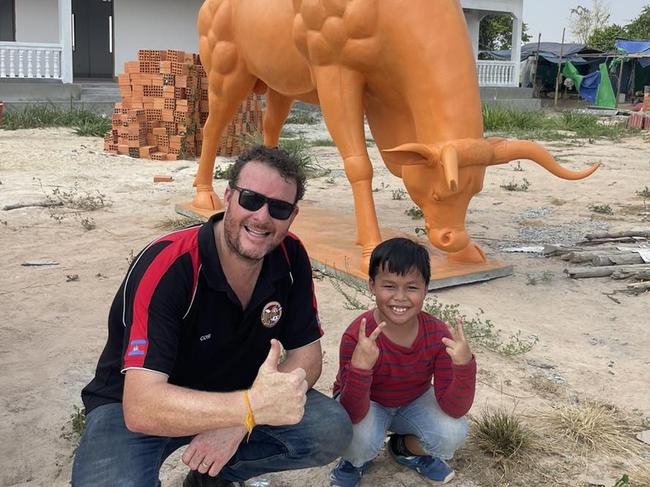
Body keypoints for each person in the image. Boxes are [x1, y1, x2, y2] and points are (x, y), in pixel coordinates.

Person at [72, 146, 352, 487]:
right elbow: (141, 406)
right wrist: (249, 408)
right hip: (139, 405)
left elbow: (307, 358)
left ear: (292, 216)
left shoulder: (290, 256)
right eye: (250, 199)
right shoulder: (169, 264)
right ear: (228, 196)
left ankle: (212, 478)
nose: (262, 217)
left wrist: (241, 419)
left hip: (238, 393)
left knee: (329, 430)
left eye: (278, 208)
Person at [329, 238, 476, 486]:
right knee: (357, 438)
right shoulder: (358, 336)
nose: (400, 297)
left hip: (412, 401)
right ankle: (355, 460)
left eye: (411, 287)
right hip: (367, 404)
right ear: (372, 286)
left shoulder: (436, 333)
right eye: (389, 286)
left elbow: (455, 409)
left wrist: (464, 366)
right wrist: (360, 369)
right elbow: (352, 413)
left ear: (426, 289)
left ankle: (403, 448)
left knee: (453, 432)